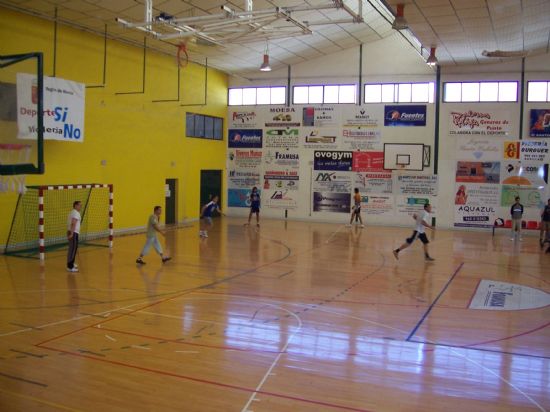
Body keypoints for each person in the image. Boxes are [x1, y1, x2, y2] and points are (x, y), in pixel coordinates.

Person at [67, 200, 82, 272]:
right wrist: (72, 233)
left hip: (71, 231)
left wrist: (69, 232)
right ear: (75, 205)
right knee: (73, 250)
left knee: (71, 249)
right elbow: (73, 223)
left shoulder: (71, 212)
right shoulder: (76, 213)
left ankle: (70, 263)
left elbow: (70, 223)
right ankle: (70, 266)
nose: (80, 207)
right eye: (79, 205)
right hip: (74, 233)